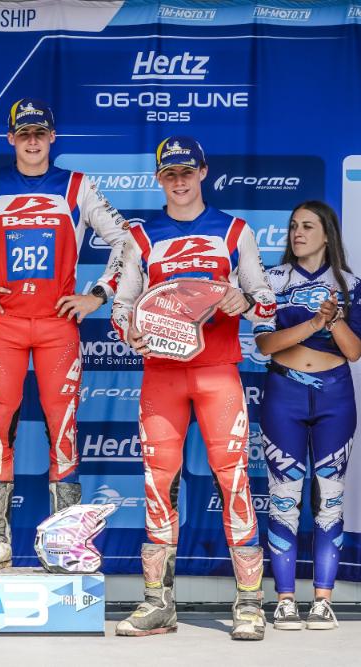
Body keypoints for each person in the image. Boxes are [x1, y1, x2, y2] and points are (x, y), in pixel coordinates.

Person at [0, 99, 131, 569]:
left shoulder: (76, 186)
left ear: (52, 137)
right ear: (11, 139)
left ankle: (64, 543)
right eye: (24, 133)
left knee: (64, 433)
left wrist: (98, 293)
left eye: (40, 132)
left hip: (59, 326)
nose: (32, 141)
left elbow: (126, 240)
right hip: (6, 325)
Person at [112, 137, 276, 640]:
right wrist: (129, 331)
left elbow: (266, 302)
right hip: (161, 375)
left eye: (187, 171)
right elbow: (122, 306)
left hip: (217, 372)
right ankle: (158, 602)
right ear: (158, 179)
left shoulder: (235, 231)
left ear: (203, 172)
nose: (179, 181)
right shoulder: (140, 236)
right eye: (169, 174)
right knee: (157, 481)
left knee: (234, 479)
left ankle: (249, 603)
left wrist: (244, 300)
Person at [254, 201, 361, 631]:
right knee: (284, 499)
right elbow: (265, 344)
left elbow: (354, 351)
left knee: (330, 501)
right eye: (294, 226)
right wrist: (314, 323)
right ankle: (284, 600)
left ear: (327, 234)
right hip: (285, 394)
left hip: (336, 397)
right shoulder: (271, 280)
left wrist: (333, 321)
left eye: (308, 226)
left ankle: (322, 601)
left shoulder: (351, 285)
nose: (297, 233)